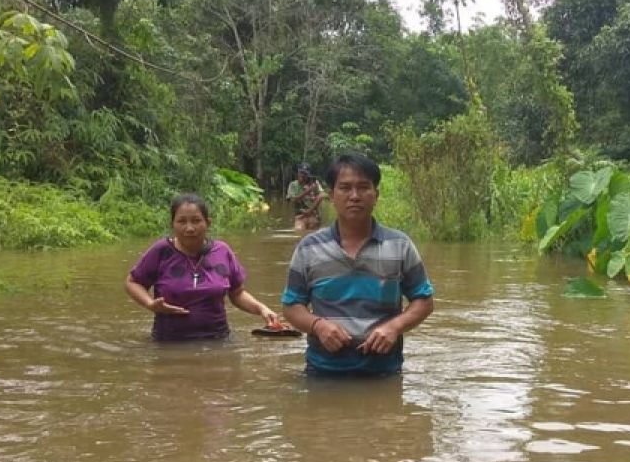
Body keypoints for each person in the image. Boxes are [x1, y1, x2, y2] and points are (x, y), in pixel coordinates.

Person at [281, 153, 434, 375]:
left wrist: (394, 327)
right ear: (332, 195)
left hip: (384, 372)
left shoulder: (400, 245)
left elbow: (424, 301)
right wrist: (318, 326)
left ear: (376, 195)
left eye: (363, 187)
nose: (354, 196)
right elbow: (291, 306)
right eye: (345, 188)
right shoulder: (308, 248)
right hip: (323, 373)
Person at [125, 193, 281, 341]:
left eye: (196, 220)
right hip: (168, 343)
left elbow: (237, 293)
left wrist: (262, 309)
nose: (189, 228)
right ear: (172, 224)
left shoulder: (222, 251)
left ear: (208, 223)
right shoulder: (162, 251)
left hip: (218, 341)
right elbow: (133, 282)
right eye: (182, 221)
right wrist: (149, 304)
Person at [285, 162, 325, 231]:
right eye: (301, 173)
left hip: (313, 215)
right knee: (299, 231)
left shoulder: (314, 183)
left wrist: (310, 211)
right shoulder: (293, 185)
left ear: (308, 175)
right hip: (300, 216)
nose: (302, 176)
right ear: (298, 173)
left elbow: (322, 195)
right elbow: (293, 200)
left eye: (305, 174)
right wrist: (307, 191)